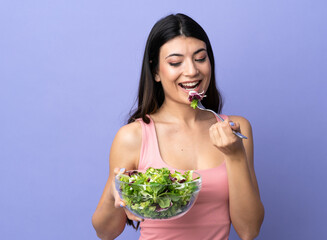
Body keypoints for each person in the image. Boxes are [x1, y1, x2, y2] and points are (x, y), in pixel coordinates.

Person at [92, 13, 264, 240]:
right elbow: (105, 233)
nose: (192, 71)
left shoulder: (236, 129)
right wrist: (115, 193)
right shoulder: (133, 137)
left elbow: (249, 230)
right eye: (175, 62)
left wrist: (235, 156)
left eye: (200, 58)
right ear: (155, 72)